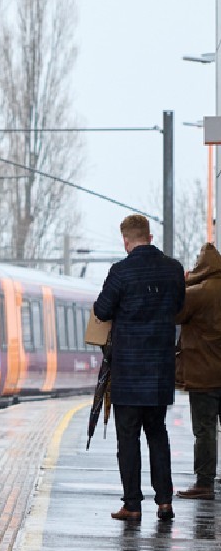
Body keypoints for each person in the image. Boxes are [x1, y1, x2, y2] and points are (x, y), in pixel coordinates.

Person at [93, 213, 185, 522]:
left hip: (129, 372)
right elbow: (178, 307)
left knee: (128, 439)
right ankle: (165, 502)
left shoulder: (121, 272)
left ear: (126, 240)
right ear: (150, 236)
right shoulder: (173, 270)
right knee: (158, 435)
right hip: (159, 369)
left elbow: (102, 309)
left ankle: (132, 504)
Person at [175, 242, 221, 500]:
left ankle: (204, 483)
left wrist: (185, 285)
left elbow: (175, 314)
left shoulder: (198, 292)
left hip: (204, 374)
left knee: (204, 430)